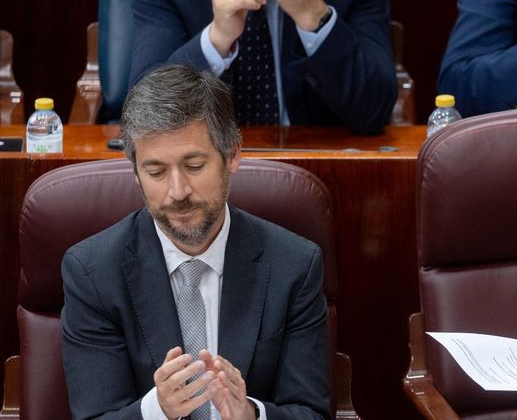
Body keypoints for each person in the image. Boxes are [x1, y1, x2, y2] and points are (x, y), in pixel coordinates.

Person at [61, 65, 330, 419]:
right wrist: (157, 410)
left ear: (232, 155)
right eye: (156, 172)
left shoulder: (294, 265)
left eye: (194, 165)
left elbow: (312, 413)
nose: (178, 191)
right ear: (137, 175)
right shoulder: (93, 273)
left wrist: (251, 415)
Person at [128, 0, 396, 134]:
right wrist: (216, 39)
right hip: (205, 169)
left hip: (319, 164)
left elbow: (374, 111)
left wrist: (315, 16)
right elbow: (145, 116)